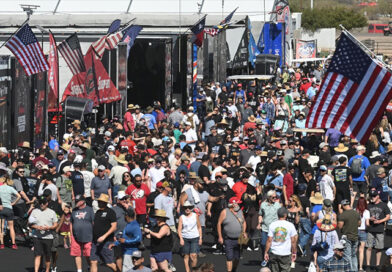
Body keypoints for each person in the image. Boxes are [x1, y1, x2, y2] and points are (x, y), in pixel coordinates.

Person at [28, 196, 59, 272]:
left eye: (43, 203)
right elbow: (29, 224)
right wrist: (36, 227)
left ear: (47, 203)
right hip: (37, 237)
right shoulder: (35, 211)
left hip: (48, 237)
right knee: (37, 255)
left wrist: (49, 227)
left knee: (47, 256)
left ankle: (47, 270)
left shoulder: (52, 212)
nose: (42, 204)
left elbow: (56, 224)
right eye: (40, 203)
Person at [217, 197, 246, 272]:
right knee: (229, 257)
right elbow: (219, 223)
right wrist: (220, 237)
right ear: (233, 204)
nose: (239, 204)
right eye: (237, 203)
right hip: (228, 239)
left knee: (237, 257)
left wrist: (244, 232)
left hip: (239, 238)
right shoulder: (225, 212)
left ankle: (234, 270)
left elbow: (244, 222)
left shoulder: (240, 211)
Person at [264, 207, 298, 272]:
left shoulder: (272, 225)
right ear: (285, 215)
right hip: (285, 253)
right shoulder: (290, 225)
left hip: (274, 252)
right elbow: (293, 241)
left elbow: (269, 240)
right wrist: (294, 252)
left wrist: (266, 252)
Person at [90, 193, 117, 272]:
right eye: (98, 201)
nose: (98, 203)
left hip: (106, 241)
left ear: (105, 202)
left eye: (100, 202)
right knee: (93, 261)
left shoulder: (110, 212)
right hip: (95, 241)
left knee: (109, 263)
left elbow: (114, 226)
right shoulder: (97, 212)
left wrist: (104, 236)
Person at [111, 206, 142, 272]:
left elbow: (138, 238)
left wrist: (126, 241)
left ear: (127, 216)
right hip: (129, 252)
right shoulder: (129, 225)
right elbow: (123, 238)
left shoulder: (134, 225)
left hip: (131, 252)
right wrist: (115, 243)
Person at [366, 189, 390, 270]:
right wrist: (369, 219)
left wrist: (380, 221)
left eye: (374, 196)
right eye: (371, 196)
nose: (372, 197)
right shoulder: (368, 205)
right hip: (370, 229)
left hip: (379, 229)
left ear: (378, 196)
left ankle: (377, 265)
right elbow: (364, 216)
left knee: (379, 248)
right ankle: (368, 265)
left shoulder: (383, 205)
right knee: (369, 247)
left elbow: (388, 216)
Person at [70, 194, 94, 272]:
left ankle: (90, 267)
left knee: (88, 254)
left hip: (88, 236)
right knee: (76, 253)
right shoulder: (74, 210)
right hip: (75, 236)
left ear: (83, 201)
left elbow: (93, 222)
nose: (76, 202)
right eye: (76, 201)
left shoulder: (89, 210)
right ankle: (79, 270)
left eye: (78, 201)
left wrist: (95, 235)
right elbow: (71, 223)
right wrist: (71, 235)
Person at [178, 201, 202, 272]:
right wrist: (181, 239)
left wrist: (200, 238)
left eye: (189, 207)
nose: (187, 209)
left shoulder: (195, 215)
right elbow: (179, 229)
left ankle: (193, 270)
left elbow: (199, 227)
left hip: (195, 237)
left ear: (191, 208)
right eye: (186, 208)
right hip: (185, 238)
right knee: (186, 256)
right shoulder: (181, 217)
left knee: (193, 255)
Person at [338, 199, 361, 271]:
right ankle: (355, 270)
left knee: (347, 255)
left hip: (347, 237)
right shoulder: (356, 213)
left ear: (343, 205)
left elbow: (340, 226)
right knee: (354, 255)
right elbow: (359, 224)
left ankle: (350, 270)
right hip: (355, 236)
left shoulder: (343, 215)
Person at [258, 190, 281, 258]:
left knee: (272, 245)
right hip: (265, 228)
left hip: (275, 229)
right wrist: (259, 223)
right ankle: (264, 256)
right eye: (273, 197)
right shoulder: (263, 205)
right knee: (263, 244)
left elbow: (281, 216)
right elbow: (260, 215)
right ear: (268, 197)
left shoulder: (277, 205)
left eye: (275, 197)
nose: (275, 198)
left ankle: (269, 259)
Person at [0, 176, 21, 249]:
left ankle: (2, 244)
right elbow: (19, 196)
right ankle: (13, 244)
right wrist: (14, 203)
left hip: (1, 209)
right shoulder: (10, 188)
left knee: (1, 228)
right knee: (11, 227)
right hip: (9, 208)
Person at [357, 197, 370, 272]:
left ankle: (353, 266)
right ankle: (360, 268)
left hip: (355, 231)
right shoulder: (366, 212)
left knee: (354, 249)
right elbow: (367, 224)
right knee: (361, 250)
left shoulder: (355, 210)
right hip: (363, 231)